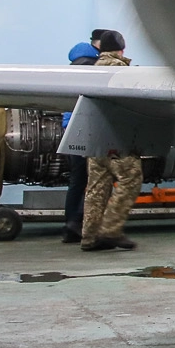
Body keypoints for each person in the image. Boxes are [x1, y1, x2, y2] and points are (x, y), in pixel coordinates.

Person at [81, 29, 144, 253]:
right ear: (122, 49)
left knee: (96, 188)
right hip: (117, 140)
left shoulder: (93, 69)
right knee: (131, 177)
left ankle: (89, 237)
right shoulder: (121, 70)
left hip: (95, 139)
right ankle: (110, 230)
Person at [61, 37, 100, 244]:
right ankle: (82, 223)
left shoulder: (71, 71)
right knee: (94, 179)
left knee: (76, 180)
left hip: (70, 128)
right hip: (86, 128)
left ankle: (70, 224)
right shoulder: (91, 70)